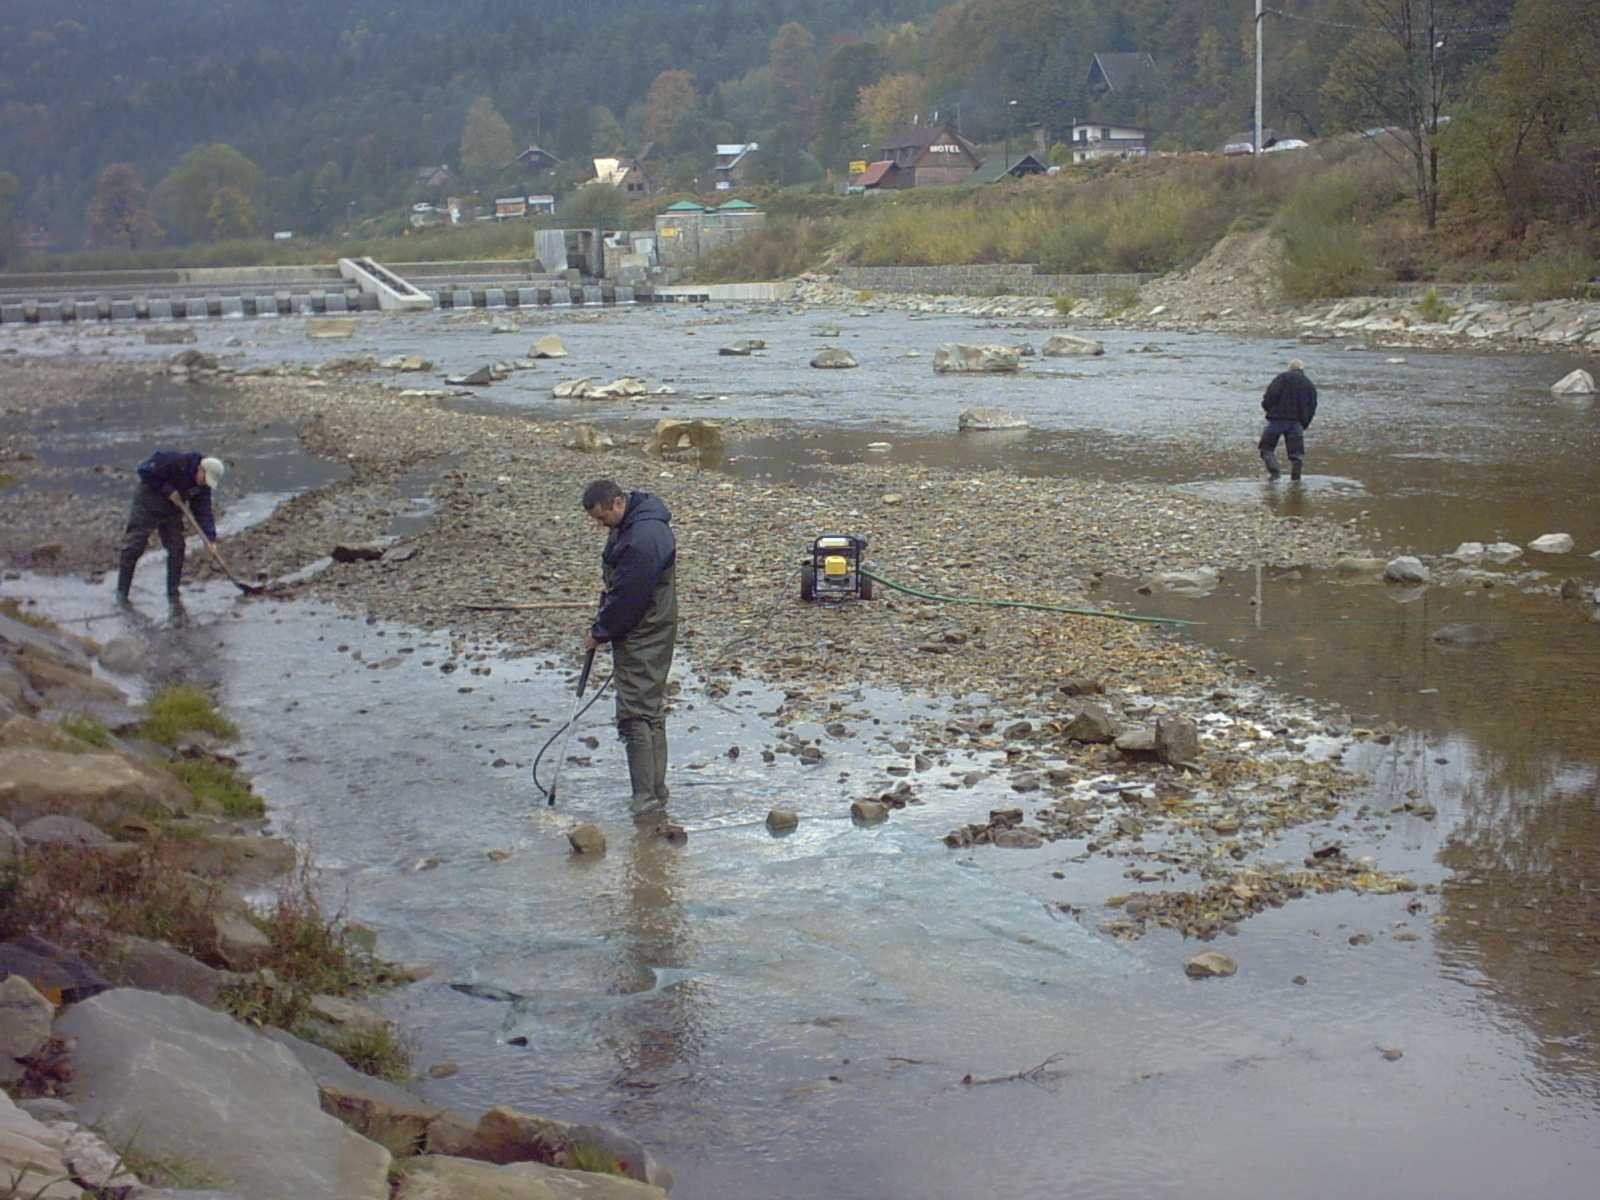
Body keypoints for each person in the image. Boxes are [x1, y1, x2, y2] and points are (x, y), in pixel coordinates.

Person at [581, 479, 678, 822]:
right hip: (650, 625)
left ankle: (645, 800)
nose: (600, 525)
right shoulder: (636, 523)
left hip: (646, 631)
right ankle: (656, 792)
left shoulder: (642, 538)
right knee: (649, 709)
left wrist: (602, 631)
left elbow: (630, 598)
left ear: (618, 503)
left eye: (602, 517)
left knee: (636, 713)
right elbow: (624, 585)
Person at [115, 450, 225, 604]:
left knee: (177, 548)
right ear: (201, 469)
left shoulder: (203, 487)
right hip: (148, 502)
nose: (204, 483)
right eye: (205, 479)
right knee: (135, 546)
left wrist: (210, 539)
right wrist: (168, 489)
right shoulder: (175, 461)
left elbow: (203, 512)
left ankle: (173, 594)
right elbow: (144, 470)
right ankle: (122, 593)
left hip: (172, 510)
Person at [1259, 358, 1318, 481]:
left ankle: (1275, 475)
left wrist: (1269, 410)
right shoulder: (1309, 384)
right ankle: (1296, 480)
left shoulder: (1281, 378)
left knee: (1266, 449)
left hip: (1276, 420)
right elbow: (1312, 406)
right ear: (1302, 369)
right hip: (1296, 423)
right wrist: (1304, 423)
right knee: (1296, 456)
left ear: (1289, 368)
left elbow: (1269, 397)